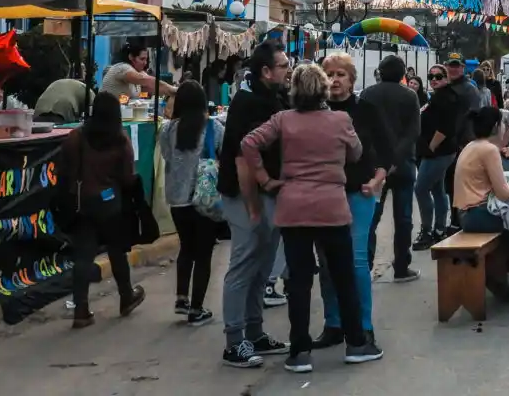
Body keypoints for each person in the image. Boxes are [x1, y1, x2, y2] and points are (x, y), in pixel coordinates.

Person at [239, 63, 377, 373]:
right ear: (324, 90)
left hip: (294, 207)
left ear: (295, 91)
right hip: (332, 207)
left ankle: (300, 352)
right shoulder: (341, 119)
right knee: (343, 277)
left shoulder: (283, 120)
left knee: (299, 282)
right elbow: (356, 153)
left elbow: (249, 143)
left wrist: (263, 178)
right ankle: (357, 344)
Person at [216, 40, 291, 369]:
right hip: (245, 195)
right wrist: (253, 207)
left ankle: (255, 331)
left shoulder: (272, 98)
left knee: (263, 266)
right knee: (244, 264)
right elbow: (242, 159)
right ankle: (234, 341)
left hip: (269, 195)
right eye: (283, 66)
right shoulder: (247, 104)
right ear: (266, 71)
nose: (288, 71)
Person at [310, 53, 388, 355]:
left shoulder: (366, 110)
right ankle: (334, 324)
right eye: (329, 73)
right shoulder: (313, 112)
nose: (335, 79)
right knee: (327, 264)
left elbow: (387, 151)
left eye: (341, 74)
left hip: (358, 194)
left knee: (355, 262)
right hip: (323, 196)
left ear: (352, 79)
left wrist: (378, 179)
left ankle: (363, 329)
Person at [60, 92, 146, 328]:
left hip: (83, 205)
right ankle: (126, 296)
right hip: (111, 206)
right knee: (117, 252)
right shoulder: (121, 141)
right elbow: (128, 178)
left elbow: (65, 171)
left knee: (83, 257)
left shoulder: (76, 137)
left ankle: (81, 309)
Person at [159, 81, 221, 326]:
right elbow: (224, 151)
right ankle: (197, 309)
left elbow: (166, 156)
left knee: (186, 248)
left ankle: (181, 299)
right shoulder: (213, 127)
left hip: (177, 199)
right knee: (204, 254)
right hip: (204, 198)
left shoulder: (167, 130)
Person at [453, 107, 509, 280]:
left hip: (468, 214)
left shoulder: (472, 145)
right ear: (497, 126)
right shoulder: (489, 149)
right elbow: (505, 194)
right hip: (478, 215)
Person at [362, 53, 422, 284]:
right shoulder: (409, 96)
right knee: (404, 217)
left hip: (375, 165)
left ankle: (365, 265)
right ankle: (401, 267)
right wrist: (396, 158)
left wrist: (383, 160)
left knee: (372, 217)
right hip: (404, 163)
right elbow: (413, 131)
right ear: (402, 75)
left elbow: (364, 131)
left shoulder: (368, 94)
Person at [413, 60, 464, 250]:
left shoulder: (447, 97)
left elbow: (446, 127)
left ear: (447, 78)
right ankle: (439, 229)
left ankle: (427, 230)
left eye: (438, 76)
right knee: (437, 189)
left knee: (421, 188)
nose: (434, 79)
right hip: (437, 151)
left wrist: (431, 147)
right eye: (431, 76)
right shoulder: (437, 96)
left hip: (439, 152)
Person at [99, 40, 175, 99]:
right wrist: (174, 89)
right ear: (131, 57)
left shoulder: (138, 73)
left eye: (146, 59)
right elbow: (148, 81)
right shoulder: (122, 68)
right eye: (142, 59)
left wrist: (175, 92)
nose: (145, 63)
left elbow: (154, 87)